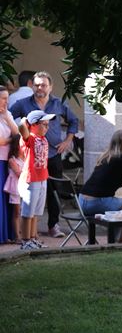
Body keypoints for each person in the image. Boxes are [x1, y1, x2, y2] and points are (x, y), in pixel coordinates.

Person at [10, 71, 79, 239]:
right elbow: (10, 119)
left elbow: (74, 121)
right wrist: (19, 140)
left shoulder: (58, 103)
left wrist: (67, 140)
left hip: (54, 153)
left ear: (50, 87)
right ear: (32, 86)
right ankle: (28, 234)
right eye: (37, 85)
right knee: (32, 195)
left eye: (43, 85)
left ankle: (53, 225)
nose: (40, 88)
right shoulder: (23, 103)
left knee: (53, 190)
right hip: (30, 159)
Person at [17, 110, 55, 250]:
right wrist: (26, 120)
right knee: (27, 212)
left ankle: (33, 238)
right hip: (30, 179)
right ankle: (25, 241)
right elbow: (21, 127)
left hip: (42, 178)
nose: (47, 127)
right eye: (44, 124)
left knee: (36, 212)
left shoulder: (43, 138)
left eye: (47, 124)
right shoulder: (29, 138)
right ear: (33, 125)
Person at [0, 86, 18, 243]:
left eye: (7, 98)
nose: (6, 101)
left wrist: (6, 117)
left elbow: (17, 135)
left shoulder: (8, 114)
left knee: (8, 198)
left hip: (8, 161)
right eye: (4, 98)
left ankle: (8, 234)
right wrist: (11, 140)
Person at [5, 136, 23, 243]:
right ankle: (17, 236)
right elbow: (19, 173)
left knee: (25, 212)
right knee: (17, 212)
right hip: (16, 188)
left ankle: (25, 233)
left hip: (26, 188)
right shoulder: (12, 159)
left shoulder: (26, 158)